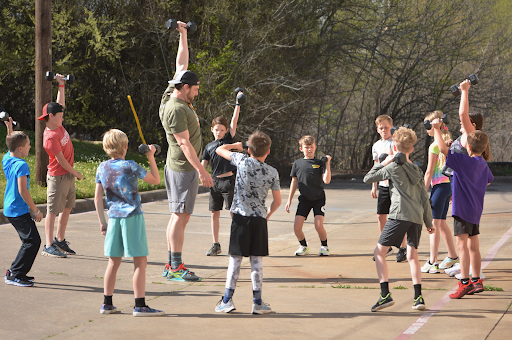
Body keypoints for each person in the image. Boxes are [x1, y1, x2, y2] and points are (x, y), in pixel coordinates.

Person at [159, 21, 213, 282]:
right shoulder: (176, 109)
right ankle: (175, 267)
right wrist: (201, 170)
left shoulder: (174, 92)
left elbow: (182, 64)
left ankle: (172, 264)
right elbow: (184, 144)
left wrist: (183, 35)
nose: (197, 92)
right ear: (184, 88)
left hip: (181, 167)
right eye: (195, 89)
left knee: (178, 216)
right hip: (183, 168)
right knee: (180, 218)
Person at [94, 129, 164, 316]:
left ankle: (107, 303)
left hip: (114, 217)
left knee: (113, 262)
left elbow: (97, 198)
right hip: (132, 216)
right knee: (140, 261)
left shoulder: (102, 167)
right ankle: (139, 305)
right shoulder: (130, 166)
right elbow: (156, 180)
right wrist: (151, 157)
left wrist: (102, 221)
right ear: (125, 147)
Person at [364, 127, 435, 312]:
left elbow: (368, 178)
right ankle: (418, 297)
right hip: (417, 217)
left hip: (399, 215)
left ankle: (385, 294)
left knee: (379, 253)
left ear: (393, 147)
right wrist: (429, 222)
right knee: (412, 256)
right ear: (411, 149)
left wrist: (385, 161)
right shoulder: (417, 169)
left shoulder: (393, 167)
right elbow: (423, 197)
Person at [214, 131, 281, 314]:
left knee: (235, 260)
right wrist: (267, 215)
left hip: (240, 219)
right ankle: (257, 302)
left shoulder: (241, 160)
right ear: (268, 152)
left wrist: (237, 145)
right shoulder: (272, 172)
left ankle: (227, 300)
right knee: (256, 261)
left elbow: (220, 149)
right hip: (259, 219)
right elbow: (277, 201)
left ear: (249, 149)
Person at [432, 104, 493, 299]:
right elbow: (489, 180)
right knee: (474, 246)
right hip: (475, 211)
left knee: (461, 247)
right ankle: (477, 281)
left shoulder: (463, 161)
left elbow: (441, 149)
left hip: (462, 209)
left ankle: (464, 282)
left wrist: (436, 129)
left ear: (467, 145)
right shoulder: (481, 164)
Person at [441, 79, 491, 279]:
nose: (461, 123)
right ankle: (469, 271)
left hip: (464, 200)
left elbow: (463, 114)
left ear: (473, 125)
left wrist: (464, 90)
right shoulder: (467, 139)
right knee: (471, 241)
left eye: (465, 123)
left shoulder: (472, 135)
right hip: (462, 191)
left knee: (464, 242)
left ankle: (466, 275)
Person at [38, 74, 82, 258]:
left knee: (67, 208)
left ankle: (60, 240)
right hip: (58, 176)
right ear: (51, 117)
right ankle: (48, 245)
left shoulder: (57, 124)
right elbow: (61, 160)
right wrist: (76, 173)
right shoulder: (50, 137)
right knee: (53, 211)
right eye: (60, 116)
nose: (63, 117)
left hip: (68, 176)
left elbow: (59, 104)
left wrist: (61, 85)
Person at [3, 118, 43, 287]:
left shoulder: (7, 158)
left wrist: (10, 130)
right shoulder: (21, 165)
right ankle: (15, 273)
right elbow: (23, 190)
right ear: (20, 149)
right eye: (27, 144)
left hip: (11, 208)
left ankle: (18, 272)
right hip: (18, 210)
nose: (30, 147)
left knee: (31, 240)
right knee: (32, 241)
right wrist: (35, 211)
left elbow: (10, 145)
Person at [200, 100, 241, 256]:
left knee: (233, 212)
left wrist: (238, 104)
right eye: (216, 129)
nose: (219, 132)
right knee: (214, 213)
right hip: (214, 183)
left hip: (228, 182)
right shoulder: (209, 146)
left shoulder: (228, 140)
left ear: (226, 131)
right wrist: (200, 174)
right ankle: (216, 244)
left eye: (222, 130)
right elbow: (202, 164)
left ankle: (237, 242)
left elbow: (234, 121)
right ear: (212, 130)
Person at [422, 110, 458, 274]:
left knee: (434, 226)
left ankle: (432, 261)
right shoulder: (449, 143)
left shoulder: (434, 146)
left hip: (438, 187)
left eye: (427, 125)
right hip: (447, 186)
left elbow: (429, 172)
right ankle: (452, 255)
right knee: (442, 223)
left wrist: (422, 192)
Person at [285, 135, 331, 256]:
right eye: (306, 147)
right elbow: (294, 182)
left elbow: (326, 180)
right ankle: (304, 246)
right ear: (301, 149)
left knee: (318, 225)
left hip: (318, 199)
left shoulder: (319, 163)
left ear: (315, 147)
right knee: (297, 228)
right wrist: (289, 200)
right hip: (304, 199)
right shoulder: (297, 163)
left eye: (311, 147)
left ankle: (324, 246)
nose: (309, 149)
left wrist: (328, 164)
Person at [371, 115, 407, 262]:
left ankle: (403, 248)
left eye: (386, 127)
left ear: (391, 127)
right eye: (381, 128)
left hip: (396, 186)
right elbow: (376, 166)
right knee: (381, 216)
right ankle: (386, 246)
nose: (384, 130)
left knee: (398, 218)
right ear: (377, 129)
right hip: (383, 185)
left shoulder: (396, 143)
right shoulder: (376, 146)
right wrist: (374, 186)